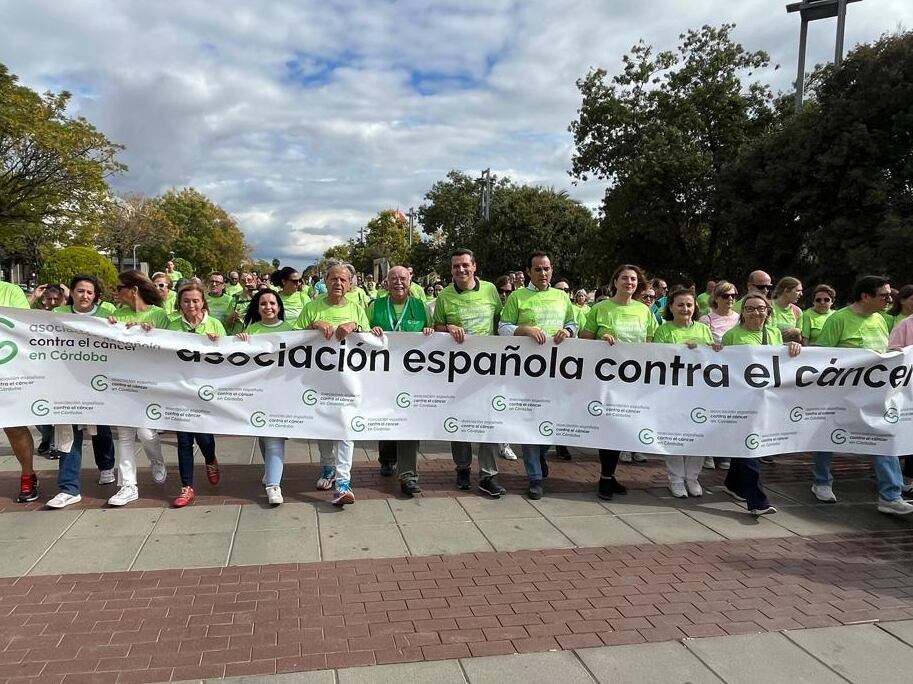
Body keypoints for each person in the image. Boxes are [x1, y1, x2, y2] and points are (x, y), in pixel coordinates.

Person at [812, 275, 913, 515]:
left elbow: (883, 352)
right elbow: (821, 355)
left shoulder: (880, 319)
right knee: (826, 434)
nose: (890, 300)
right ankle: (822, 481)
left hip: (874, 393)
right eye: (884, 296)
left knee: (885, 435)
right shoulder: (839, 319)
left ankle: (890, 495)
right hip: (841, 394)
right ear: (865, 296)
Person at [499, 251, 578, 499]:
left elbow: (573, 324)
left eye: (546, 268)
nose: (543, 273)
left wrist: (568, 331)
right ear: (528, 271)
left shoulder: (562, 297)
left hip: (557, 371)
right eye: (538, 269)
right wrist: (524, 329)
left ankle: (541, 454)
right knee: (529, 421)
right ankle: (534, 477)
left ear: (552, 269)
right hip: (526, 372)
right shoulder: (517, 297)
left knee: (554, 420)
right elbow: (503, 328)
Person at [719, 293, 802, 515]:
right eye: (750, 308)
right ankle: (758, 502)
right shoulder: (732, 336)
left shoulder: (774, 333)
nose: (756, 312)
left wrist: (792, 346)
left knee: (744, 446)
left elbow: (780, 361)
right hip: (740, 401)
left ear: (768, 312)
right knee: (751, 445)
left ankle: (733, 484)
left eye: (760, 308)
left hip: (765, 400)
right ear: (742, 312)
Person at [434, 249, 507, 498]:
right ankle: (463, 468)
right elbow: (436, 327)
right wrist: (448, 327)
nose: (461, 270)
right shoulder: (444, 295)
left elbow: (500, 322)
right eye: (456, 266)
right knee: (459, 419)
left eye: (465, 265)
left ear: (474, 267)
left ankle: (488, 475)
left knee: (489, 418)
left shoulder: (490, 290)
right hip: (458, 369)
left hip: (488, 367)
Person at [295, 263, 369, 506]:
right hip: (318, 379)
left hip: (348, 381)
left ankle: (343, 482)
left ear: (350, 284)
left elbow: (369, 340)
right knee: (324, 426)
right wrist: (313, 326)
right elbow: (292, 338)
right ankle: (328, 467)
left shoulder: (356, 308)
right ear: (325, 281)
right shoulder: (312, 307)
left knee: (346, 428)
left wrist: (356, 326)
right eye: (334, 278)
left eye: (343, 280)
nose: (338, 283)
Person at [581, 264, 657, 499]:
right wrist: (601, 339)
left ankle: (610, 475)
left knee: (622, 426)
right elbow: (584, 338)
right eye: (624, 278)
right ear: (615, 282)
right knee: (609, 425)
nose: (629, 282)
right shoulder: (600, 308)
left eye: (633, 279)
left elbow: (651, 342)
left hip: (634, 379)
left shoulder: (644, 311)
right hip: (606, 378)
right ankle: (605, 478)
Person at [106, 271, 170, 506]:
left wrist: (150, 331)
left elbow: (170, 346)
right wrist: (111, 328)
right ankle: (128, 485)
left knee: (145, 433)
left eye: (119, 287)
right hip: (122, 382)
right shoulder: (116, 314)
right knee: (124, 435)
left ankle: (157, 460)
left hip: (150, 382)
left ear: (133, 290)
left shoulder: (158, 314)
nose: (116, 292)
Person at [369, 266, 433, 496]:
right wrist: (370, 330)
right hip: (383, 375)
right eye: (393, 278)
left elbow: (432, 333)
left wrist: (429, 331)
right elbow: (362, 333)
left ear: (410, 281)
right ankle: (387, 458)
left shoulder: (421, 307)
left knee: (409, 422)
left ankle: (408, 476)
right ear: (386, 282)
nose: (398, 282)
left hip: (412, 376)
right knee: (386, 418)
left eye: (403, 278)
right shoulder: (374, 306)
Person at [166, 283, 225, 508]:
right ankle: (187, 486)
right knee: (183, 440)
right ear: (179, 303)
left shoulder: (215, 323)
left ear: (203, 302)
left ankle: (210, 458)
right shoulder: (172, 325)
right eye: (186, 301)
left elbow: (228, 355)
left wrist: (217, 343)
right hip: (180, 389)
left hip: (205, 390)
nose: (191, 305)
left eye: (195, 300)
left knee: (204, 437)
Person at [653, 288, 716, 497]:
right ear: (671, 307)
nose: (685, 309)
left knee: (697, 434)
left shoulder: (704, 329)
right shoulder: (664, 331)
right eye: (680, 305)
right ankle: (676, 479)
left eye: (689, 305)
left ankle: (692, 477)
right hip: (672, 391)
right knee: (674, 435)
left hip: (699, 391)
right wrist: (682, 349)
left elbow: (712, 359)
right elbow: (658, 359)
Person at [237, 290, 294, 505]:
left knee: (273, 439)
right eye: (263, 303)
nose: (268, 307)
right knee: (262, 435)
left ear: (279, 306)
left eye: (272, 303)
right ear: (257, 307)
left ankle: (273, 486)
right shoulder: (251, 330)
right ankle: (271, 472)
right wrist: (241, 342)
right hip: (258, 392)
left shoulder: (291, 330)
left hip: (281, 393)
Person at [1, 280, 40, 502]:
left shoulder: (10, 291)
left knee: (13, 427)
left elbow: (23, 326)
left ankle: (28, 475)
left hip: (6, 369)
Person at [492, 275, 518, 462]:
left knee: (507, 403)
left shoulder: (514, 310)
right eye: (500, 291)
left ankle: (505, 444)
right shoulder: (492, 310)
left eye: (508, 291)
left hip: (511, 362)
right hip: (489, 361)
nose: (504, 295)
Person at [771, 277, 803, 342]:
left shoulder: (797, 311)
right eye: (798, 291)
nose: (801, 294)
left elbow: (799, 340)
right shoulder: (768, 306)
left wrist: (797, 331)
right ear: (786, 290)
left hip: (789, 347)